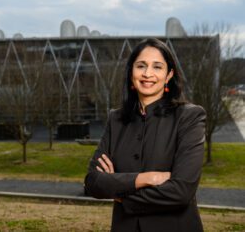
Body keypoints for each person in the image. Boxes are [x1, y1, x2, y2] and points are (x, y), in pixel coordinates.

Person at [84, 38, 206, 232]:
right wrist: (146, 178)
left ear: (169, 75)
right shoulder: (116, 120)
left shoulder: (189, 117)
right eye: (141, 66)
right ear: (131, 72)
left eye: (157, 67)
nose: (148, 74)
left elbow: (181, 192)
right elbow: (92, 182)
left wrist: (120, 193)